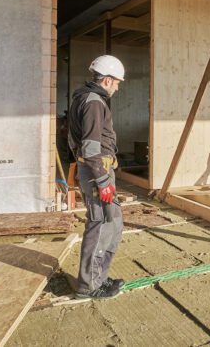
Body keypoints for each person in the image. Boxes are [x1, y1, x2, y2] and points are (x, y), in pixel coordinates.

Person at [68, 55, 126, 299]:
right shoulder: (94, 103)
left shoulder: (84, 99)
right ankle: (90, 286)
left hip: (96, 171)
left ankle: (97, 277)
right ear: (107, 80)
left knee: (112, 222)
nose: (118, 87)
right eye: (117, 82)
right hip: (97, 174)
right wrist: (102, 181)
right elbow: (91, 148)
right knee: (102, 225)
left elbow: (76, 142)